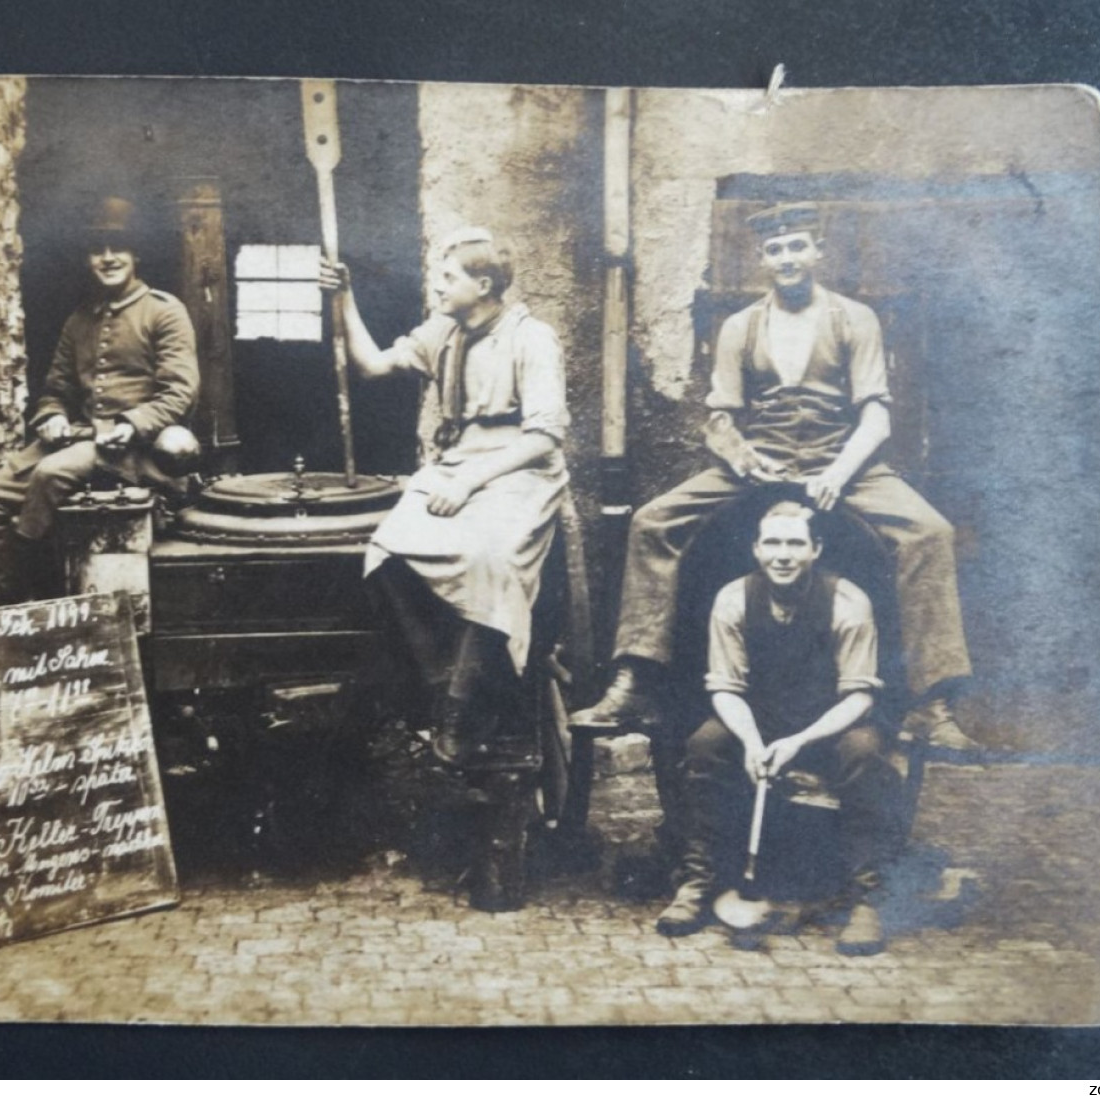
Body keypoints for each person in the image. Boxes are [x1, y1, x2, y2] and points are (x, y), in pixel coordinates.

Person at [573, 202, 973, 749]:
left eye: (797, 246)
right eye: (775, 249)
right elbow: (720, 418)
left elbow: (876, 415)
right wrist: (742, 459)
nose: (786, 258)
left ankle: (931, 703)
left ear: (817, 252)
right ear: (762, 257)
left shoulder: (855, 318)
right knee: (652, 521)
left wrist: (839, 471)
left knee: (930, 532)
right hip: (764, 459)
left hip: (841, 457)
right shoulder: (741, 326)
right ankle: (636, 677)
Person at [320, 227, 572, 911]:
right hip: (457, 462)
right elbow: (371, 364)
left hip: (519, 468)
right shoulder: (445, 332)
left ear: (483, 286)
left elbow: (547, 434)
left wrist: (470, 484)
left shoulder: (531, 339)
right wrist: (341, 300)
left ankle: (461, 708)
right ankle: (442, 680)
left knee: (489, 559)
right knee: (390, 548)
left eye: (448, 278)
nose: (435, 287)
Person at [657, 499, 900, 954]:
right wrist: (751, 741)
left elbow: (860, 694)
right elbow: (726, 688)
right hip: (762, 722)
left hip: (830, 726)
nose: (782, 555)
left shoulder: (847, 601)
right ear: (755, 548)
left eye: (794, 543)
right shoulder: (733, 599)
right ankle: (698, 880)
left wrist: (801, 740)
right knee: (706, 744)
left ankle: (866, 897)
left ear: (816, 549)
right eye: (772, 543)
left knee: (864, 752)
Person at [0, 197, 201, 608]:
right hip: (82, 441)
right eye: (97, 250)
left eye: (118, 248)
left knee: (51, 474)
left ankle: (13, 590)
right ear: (88, 258)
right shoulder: (79, 320)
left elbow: (180, 391)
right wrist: (51, 416)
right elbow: (55, 390)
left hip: (138, 450)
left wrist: (132, 424)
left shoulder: (164, 312)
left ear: (136, 254)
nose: (108, 258)